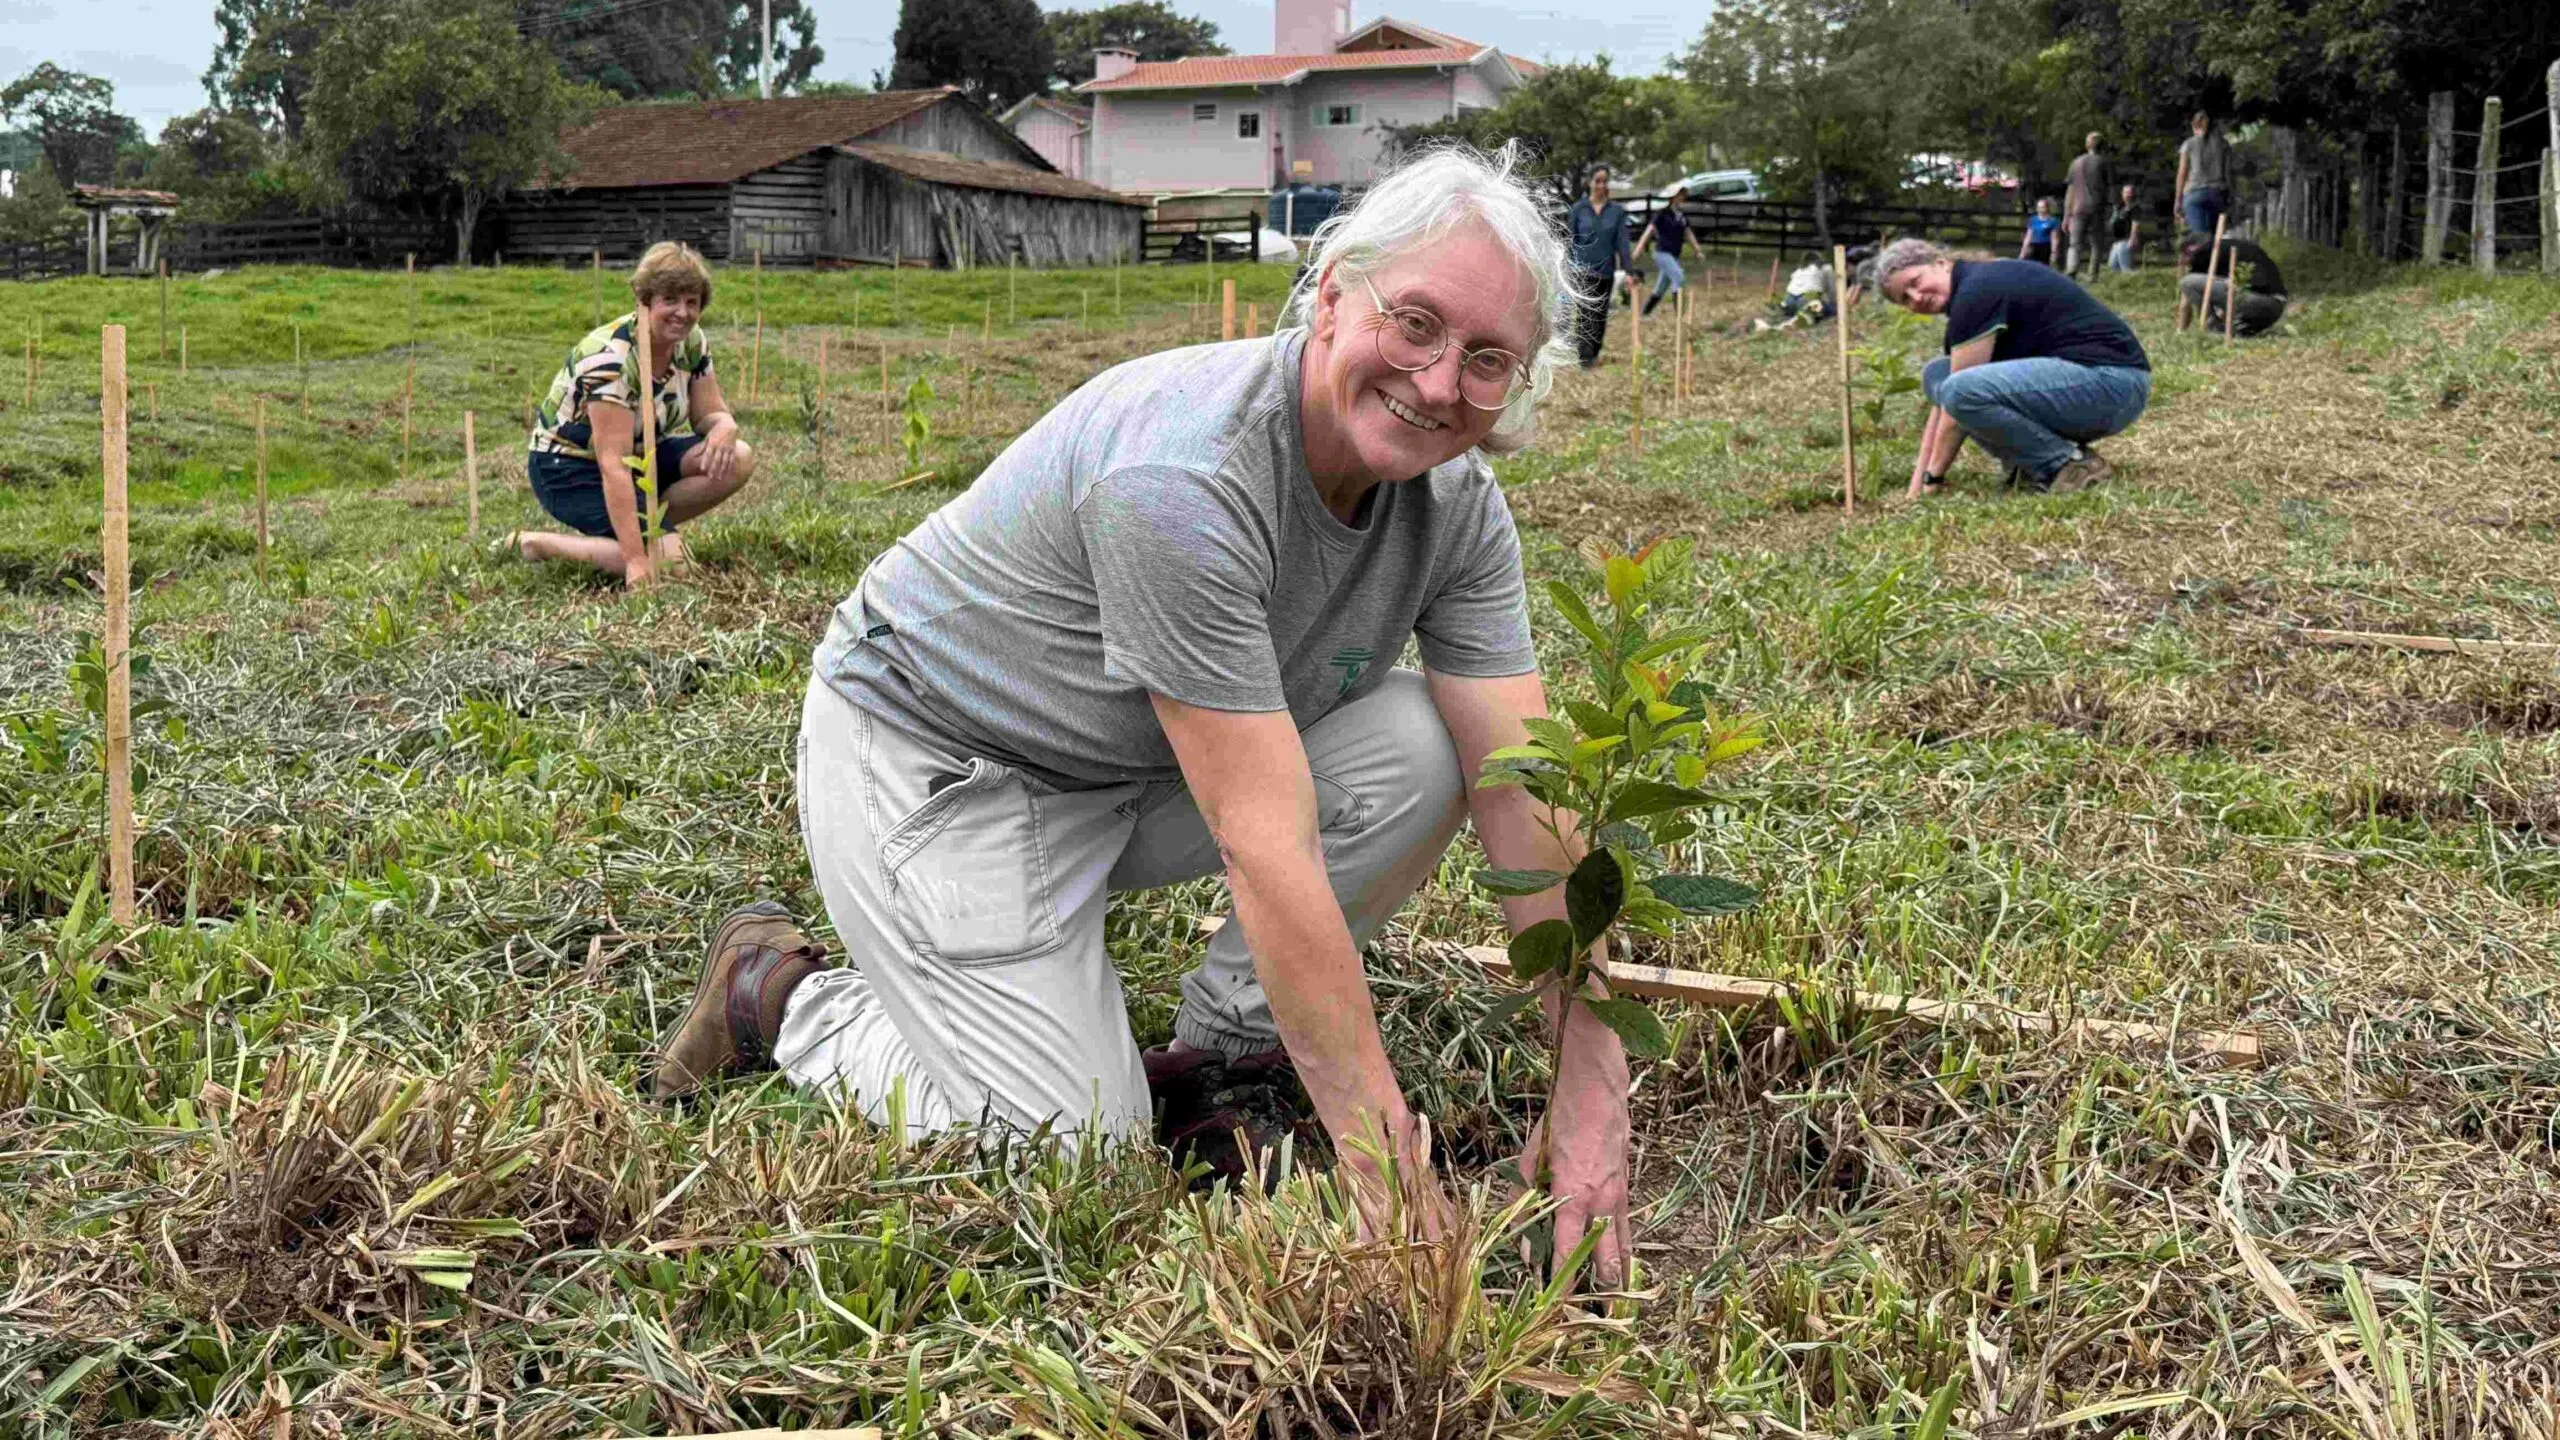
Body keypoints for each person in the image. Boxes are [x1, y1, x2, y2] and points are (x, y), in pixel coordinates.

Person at [645, 145, 1638, 1288]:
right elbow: (1263, 842)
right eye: (1413, 323)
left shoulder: (1455, 508)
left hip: (1131, 762)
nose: (1435, 380)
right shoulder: (1184, 475)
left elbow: (1522, 787)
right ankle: (784, 996)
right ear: (1329, 296)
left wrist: (1588, 1080)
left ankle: (1229, 1051)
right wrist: (1386, 1170)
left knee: (1428, 744)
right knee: (1067, 1147)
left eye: (1486, 359)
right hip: (937, 761)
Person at [509, 241, 755, 587]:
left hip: (643, 456)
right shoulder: (610, 359)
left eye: (691, 302)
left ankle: (643, 533)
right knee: (671, 568)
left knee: (737, 456)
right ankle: (539, 544)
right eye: (669, 300)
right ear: (645, 300)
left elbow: (709, 414)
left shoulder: (691, 341)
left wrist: (726, 425)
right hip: (570, 468)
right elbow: (613, 464)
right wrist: (637, 561)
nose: (682, 313)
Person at [1875, 236, 2151, 497]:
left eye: (1915, 281)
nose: (1916, 297)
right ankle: (2032, 461)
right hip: (2088, 384)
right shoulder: (1973, 285)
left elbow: (1955, 402)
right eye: (1905, 299)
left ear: (1940, 263)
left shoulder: (1976, 291)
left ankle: (2066, 463)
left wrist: (1932, 477)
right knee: (1938, 373)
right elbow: (1947, 398)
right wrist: (1922, 481)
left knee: (1960, 390)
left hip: (2112, 385)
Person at [1566, 166, 1633, 367]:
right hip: (1582, 270)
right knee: (1586, 313)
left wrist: (1629, 271)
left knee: (1600, 315)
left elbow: (1622, 242)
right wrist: (1568, 268)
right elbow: (1570, 240)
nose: (1601, 185)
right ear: (1590, 183)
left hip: (1606, 271)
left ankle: (1594, 352)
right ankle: (1585, 357)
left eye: (1605, 181)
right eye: (1598, 181)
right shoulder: (1579, 209)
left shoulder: (1616, 212)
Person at [2180, 231, 2287, 335]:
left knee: (2188, 282)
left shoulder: (2205, 252)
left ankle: (2212, 326)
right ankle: (2230, 330)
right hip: (2276, 307)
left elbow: (2186, 298)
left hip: (2258, 301)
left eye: (2185, 256)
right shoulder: (2233, 247)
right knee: (2232, 332)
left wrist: (2181, 329)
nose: (2184, 260)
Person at [2174, 111, 2236, 240]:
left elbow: (2182, 174)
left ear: (2193, 126)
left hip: (2194, 194)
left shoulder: (2188, 144)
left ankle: (2202, 256)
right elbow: (2229, 173)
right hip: (2217, 194)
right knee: (2215, 239)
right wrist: (2231, 197)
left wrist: (2178, 200)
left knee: (2200, 239)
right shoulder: (2224, 145)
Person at [1631, 184, 1689, 317]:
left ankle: (1644, 313)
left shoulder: (1681, 216)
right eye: (1680, 195)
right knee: (1679, 277)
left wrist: (1697, 249)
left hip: (1673, 255)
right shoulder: (1662, 214)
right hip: (1661, 253)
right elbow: (1649, 231)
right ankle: (1679, 315)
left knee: (1661, 287)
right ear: (1673, 197)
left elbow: (1687, 232)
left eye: (1684, 195)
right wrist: (1639, 248)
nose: (1683, 198)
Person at [2063, 133, 2108, 279]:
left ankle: (2072, 269)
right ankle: (2093, 274)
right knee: (2096, 243)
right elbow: (2111, 187)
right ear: (2102, 146)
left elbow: (2070, 191)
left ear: (2086, 145)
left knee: (2075, 243)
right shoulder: (2103, 162)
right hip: (2097, 207)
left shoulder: (2075, 163)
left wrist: (2066, 215)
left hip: (2077, 208)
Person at [2105, 184, 2143, 271]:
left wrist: (2133, 238)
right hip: (2116, 241)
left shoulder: (2135, 208)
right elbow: (2112, 221)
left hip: (2126, 241)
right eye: (2126, 192)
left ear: (2133, 194)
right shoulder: (2120, 207)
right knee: (2112, 267)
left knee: (2126, 268)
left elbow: (2135, 224)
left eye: (2130, 192)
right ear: (2122, 193)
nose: (2128, 195)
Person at [2019, 198, 2061, 268]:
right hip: (2034, 246)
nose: (2040, 210)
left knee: (2044, 267)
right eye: (2039, 207)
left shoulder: (2053, 221)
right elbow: (2028, 236)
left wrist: (2054, 252)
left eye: (2042, 207)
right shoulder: (2033, 220)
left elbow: (2054, 238)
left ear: (2047, 208)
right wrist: (2023, 251)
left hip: (2045, 246)